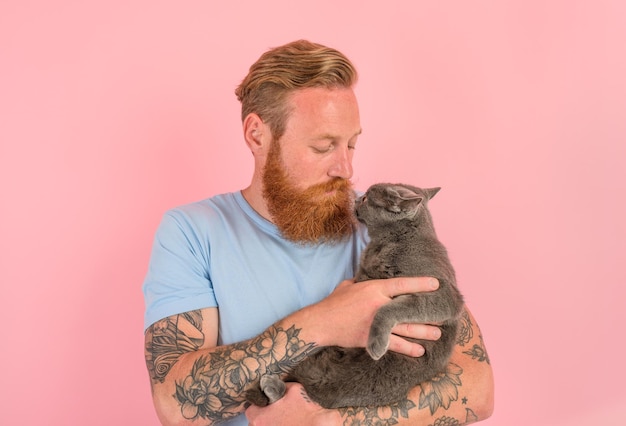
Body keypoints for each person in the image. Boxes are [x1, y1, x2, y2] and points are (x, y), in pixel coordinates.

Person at [143, 39, 494, 426]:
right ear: (257, 135)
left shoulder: (380, 226)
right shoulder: (193, 232)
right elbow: (175, 405)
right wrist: (323, 322)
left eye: (352, 144)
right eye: (323, 146)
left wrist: (329, 423)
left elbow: (477, 388)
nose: (344, 167)